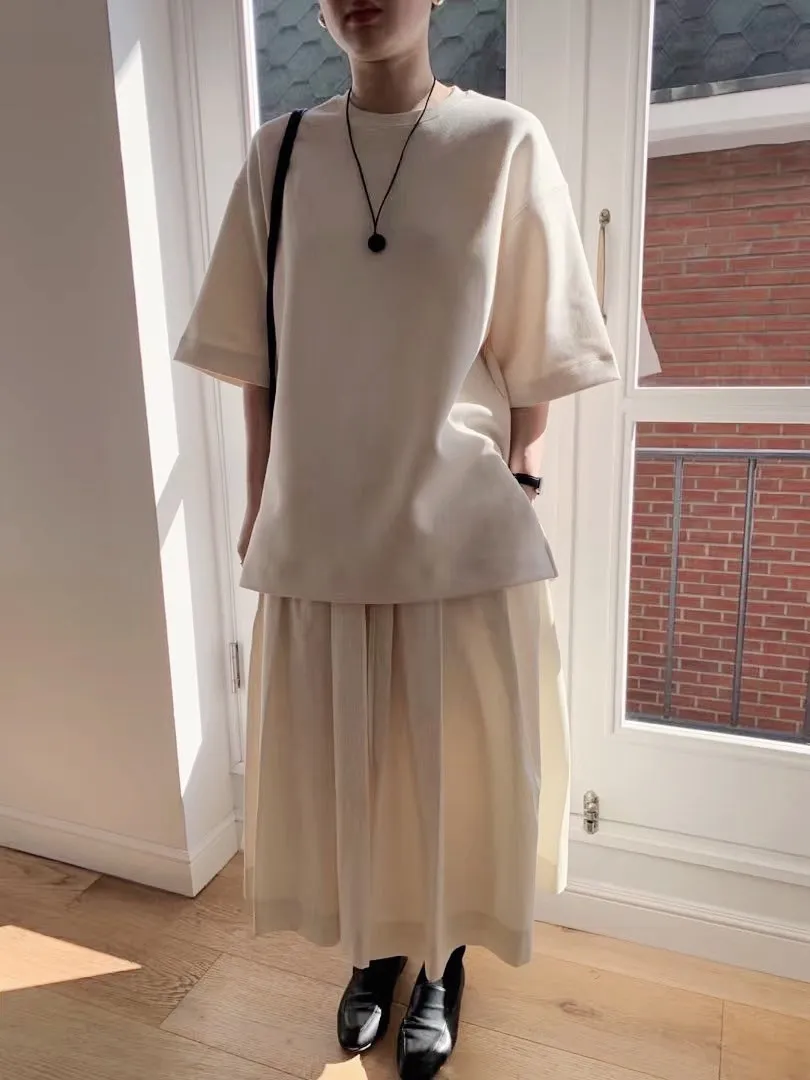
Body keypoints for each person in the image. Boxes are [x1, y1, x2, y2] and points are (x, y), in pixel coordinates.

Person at [175, 0, 618, 1075]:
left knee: (451, 762)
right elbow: (259, 354)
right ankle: (375, 951)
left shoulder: (502, 141)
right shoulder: (280, 154)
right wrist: (259, 498)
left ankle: (445, 961)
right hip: (323, 522)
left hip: (457, 524)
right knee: (353, 765)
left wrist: (522, 473)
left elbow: (537, 344)